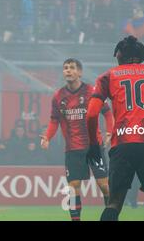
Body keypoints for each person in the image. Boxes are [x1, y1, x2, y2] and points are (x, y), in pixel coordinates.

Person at [41, 58, 113, 221]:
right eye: (65, 68)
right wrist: (47, 137)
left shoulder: (92, 91)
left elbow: (107, 113)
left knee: (104, 186)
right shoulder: (58, 96)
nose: (68, 70)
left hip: (94, 146)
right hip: (73, 149)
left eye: (72, 68)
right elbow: (54, 121)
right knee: (73, 188)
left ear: (79, 72)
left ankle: (111, 216)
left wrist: (109, 132)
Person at [87, 36, 144, 221]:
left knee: (114, 203)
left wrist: (94, 145)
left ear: (120, 55)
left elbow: (91, 114)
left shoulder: (108, 76)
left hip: (122, 145)